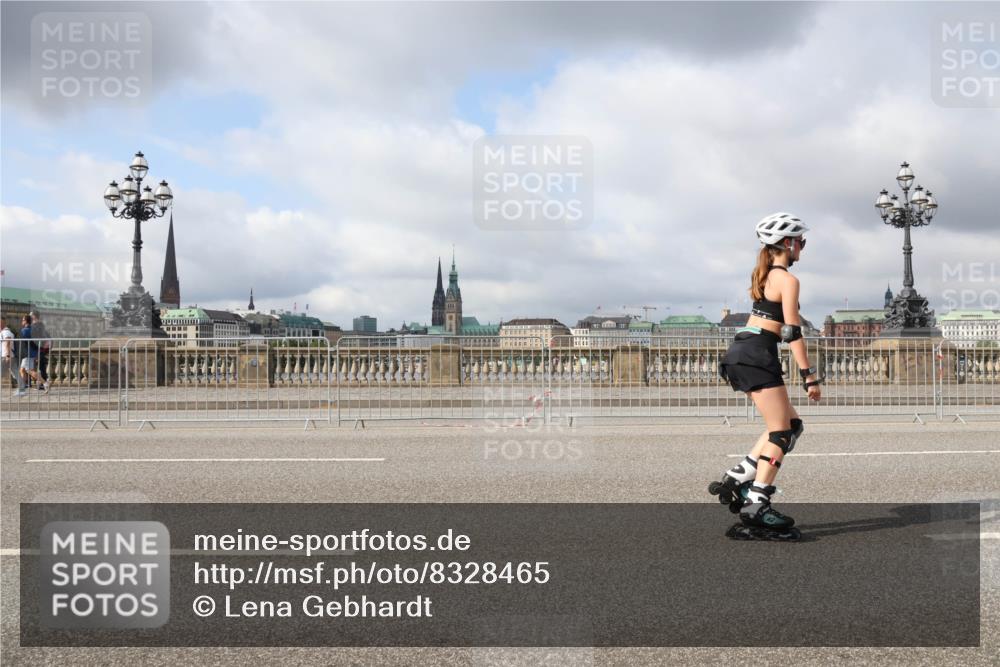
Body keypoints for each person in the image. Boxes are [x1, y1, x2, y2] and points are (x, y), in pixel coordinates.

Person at [710, 212, 822, 537]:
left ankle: (739, 476)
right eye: (801, 241)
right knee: (781, 434)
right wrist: (809, 376)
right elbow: (792, 332)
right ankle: (756, 503)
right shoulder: (788, 280)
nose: (802, 247)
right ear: (788, 243)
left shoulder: (763, 275)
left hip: (743, 350)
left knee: (791, 425)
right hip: (757, 355)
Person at [18, 314, 47, 395]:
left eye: (23, 320)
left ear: (26, 321)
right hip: (32, 352)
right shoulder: (33, 329)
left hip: (27, 353)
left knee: (29, 371)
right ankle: (22, 389)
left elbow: (21, 342)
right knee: (22, 370)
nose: (22, 321)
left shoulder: (24, 330)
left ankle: (45, 383)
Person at [30, 311, 51, 389]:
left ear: (34, 316)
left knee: (40, 366)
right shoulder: (38, 324)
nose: (30, 316)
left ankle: (43, 383)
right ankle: (42, 383)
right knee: (40, 366)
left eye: (31, 315)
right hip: (41, 347)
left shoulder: (37, 324)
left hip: (41, 347)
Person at [1, 316, 18, 393]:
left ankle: (21, 387)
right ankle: (21, 387)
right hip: (8, 355)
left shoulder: (6, 332)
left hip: (6, 355)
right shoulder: (5, 331)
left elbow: (7, 343)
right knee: (15, 372)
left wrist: (7, 355)